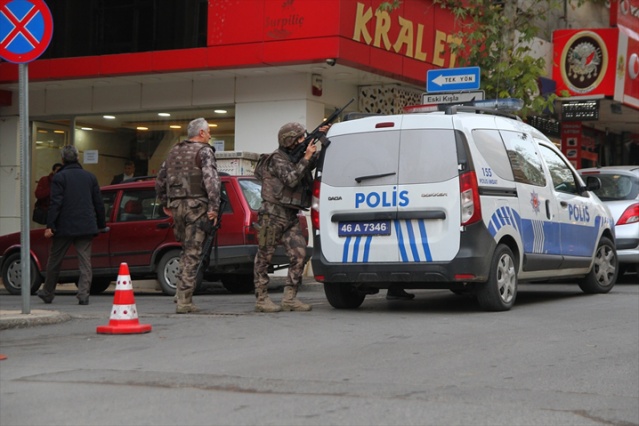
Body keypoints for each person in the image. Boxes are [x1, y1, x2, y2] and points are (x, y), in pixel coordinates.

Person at [253, 122, 328, 313]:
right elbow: (292, 179)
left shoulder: (295, 157)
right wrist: (307, 156)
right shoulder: (277, 159)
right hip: (272, 215)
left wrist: (321, 141)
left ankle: (289, 298)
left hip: (290, 215)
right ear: (290, 141)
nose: (304, 140)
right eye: (301, 138)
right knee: (264, 256)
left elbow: (309, 166)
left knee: (299, 255)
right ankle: (262, 299)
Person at [155, 117, 221, 314]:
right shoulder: (204, 151)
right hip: (196, 207)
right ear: (201, 133)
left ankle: (180, 294)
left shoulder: (174, 151)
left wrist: (164, 202)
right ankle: (184, 301)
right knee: (193, 253)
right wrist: (214, 207)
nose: (210, 135)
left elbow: (160, 179)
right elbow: (212, 180)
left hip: (177, 207)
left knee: (185, 250)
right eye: (208, 131)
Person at [37, 146, 107, 305]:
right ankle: (83, 294)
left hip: (64, 226)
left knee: (55, 260)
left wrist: (50, 225)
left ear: (62, 160)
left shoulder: (60, 177)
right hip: (86, 225)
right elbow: (99, 203)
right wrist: (101, 224)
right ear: (77, 158)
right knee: (85, 261)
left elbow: (56, 203)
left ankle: (48, 292)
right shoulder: (90, 177)